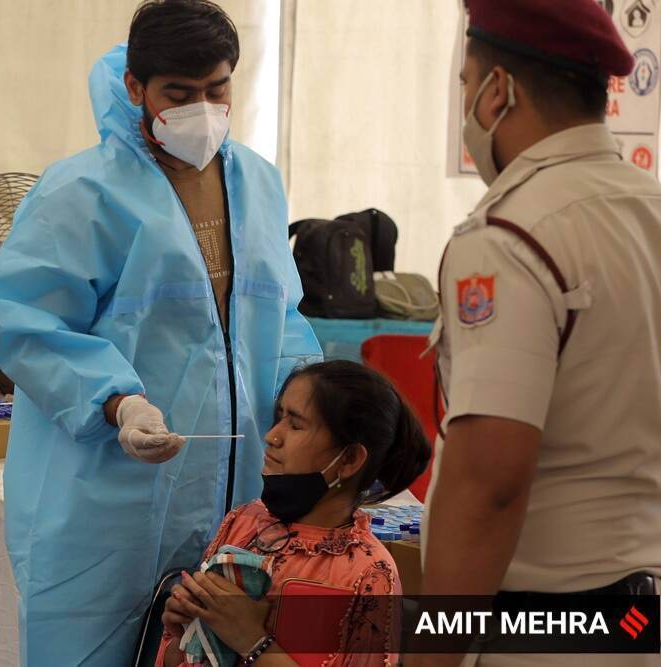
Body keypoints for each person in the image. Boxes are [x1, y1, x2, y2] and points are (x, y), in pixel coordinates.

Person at [0, 1, 321, 662]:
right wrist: (118, 400)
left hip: (235, 497)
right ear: (135, 87)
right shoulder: (81, 191)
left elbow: (280, 318)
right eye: (179, 94)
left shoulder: (258, 182)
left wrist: (310, 403)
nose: (202, 109)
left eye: (216, 89)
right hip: (107, 500)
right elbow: (27, 321)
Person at [415, 1, 661, 665]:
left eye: (467, 86)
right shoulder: (648, 211)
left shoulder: (510, 239)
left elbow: (488, 484)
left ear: (499, 91)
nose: (467, 104)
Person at [157, 361, 430, 666]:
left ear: (350, 459)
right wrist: (186, 631)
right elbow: (179, 657)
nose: (272, 436)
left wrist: (252, 641)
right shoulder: (243, 523)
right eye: (278, 418)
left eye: (296, 425)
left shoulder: (369, 574)